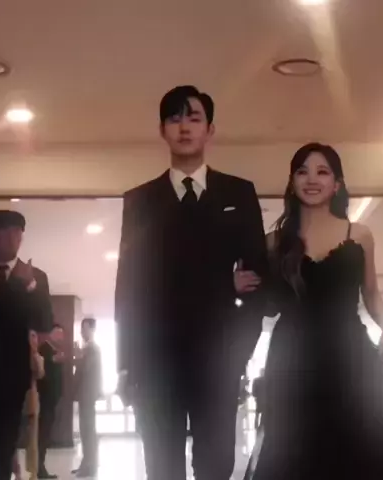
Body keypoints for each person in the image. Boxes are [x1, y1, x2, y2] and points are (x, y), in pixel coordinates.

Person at [244, 143, 383, 479]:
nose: (312, 179)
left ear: (337, 184)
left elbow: (370, 292)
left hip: (350, 350)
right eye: (302, 172)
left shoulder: (359, 234)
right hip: (292, 354)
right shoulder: (274, 242)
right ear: (292, 182)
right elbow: (267, 305)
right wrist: (242, 285)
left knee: (369, 435)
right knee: (294, 442)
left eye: (322, 172)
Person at [115, 85, 268, 480]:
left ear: (210, 129)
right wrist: (127, 363)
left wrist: (240, 354)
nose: (184, 127)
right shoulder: (140, 201)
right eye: (174, 118)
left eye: (194, 118)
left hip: (219, 357)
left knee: (216, 464)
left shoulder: (238, 193)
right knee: (161, 465)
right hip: (155, 360)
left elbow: (259, 281)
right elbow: (130, 287)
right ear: (162, 130)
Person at [0, 210, 53, 480]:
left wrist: (29, 285)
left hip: (9, 380)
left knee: (1, 449)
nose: (14, 238)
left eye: (18, 232)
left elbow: (45, 322)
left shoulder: (36, 277)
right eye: (6, 232)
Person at [71, 317, 102, 478]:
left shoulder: (93, 349)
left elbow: (86, 368)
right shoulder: (88, 349)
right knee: (85, 430)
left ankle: (90, 466)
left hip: (88, 395)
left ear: (92, 329)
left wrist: (78, 356)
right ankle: (86, 463)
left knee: (88, 431)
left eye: (85, 328)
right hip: (85, 395)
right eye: (81, 329)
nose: (82, 332)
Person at [37, 324, 65, 479]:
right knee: (42, 435)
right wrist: (53, 360)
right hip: (45, 401)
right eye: (58, 333)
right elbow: (42, 374)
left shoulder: (56, 351)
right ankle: (39, 469)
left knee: (46, 435)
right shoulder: (45, 349)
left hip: (52, 401)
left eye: (62, 334)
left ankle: (41, 467)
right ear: (51, 334)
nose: (61, 337)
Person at [24, 329, 46, 480]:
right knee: (12, 437)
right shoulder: (18, 356)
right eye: (30, 337)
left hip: (31, 399)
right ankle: (16, 472)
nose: (33, 340)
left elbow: (40, 374)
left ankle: (33, 472)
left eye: (35, 337)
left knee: (32, 439)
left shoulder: (38, 357)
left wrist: (36, 357)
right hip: (15, 399)